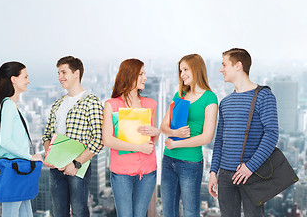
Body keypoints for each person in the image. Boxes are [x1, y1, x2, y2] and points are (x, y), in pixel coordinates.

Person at [207, 48, 279, 217]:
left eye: (224, 64)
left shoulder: (264, 96)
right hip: (225, 176)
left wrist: (250, 167)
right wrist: (213, 172)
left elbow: (271, 134)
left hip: (252, 174)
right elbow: (220, 141)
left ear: (238, 65)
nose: (221, 69)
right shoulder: (225, 102)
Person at [42, 56, 103, 217]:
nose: (60, 77)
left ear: (76, 73)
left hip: (78, 167)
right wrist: (51, 157)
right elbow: (46, 135)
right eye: (58, 73)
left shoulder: (91, 102)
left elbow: (99, 140)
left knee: (79, 211)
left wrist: (75, 164)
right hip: (56, 168)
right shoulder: (57, 104)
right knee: (58, 212)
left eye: (64, 72)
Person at [160, 54, 218, 217]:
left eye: (185, 69)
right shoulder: (179, 95)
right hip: (168, 160)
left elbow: (207, 137)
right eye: (180, 71)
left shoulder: (210, 98)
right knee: (168, 212)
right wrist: (174, 133)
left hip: (190, 163)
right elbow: (163, 125)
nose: (182, 74)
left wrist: (176, 143)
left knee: (191, 212)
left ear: (196, 69)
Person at [102, 58, 161, 217]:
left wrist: (156, 132)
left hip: (147, 170)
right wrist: (138, 148)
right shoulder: (111, 105)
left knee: (140, 215)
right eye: (141, 74)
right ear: (130, 75)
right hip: (121, 171)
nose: (145, 78)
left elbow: (152, 140)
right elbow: (107, 140)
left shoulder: (151, 104)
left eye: (144, 73)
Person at [0, 61, 43, 217]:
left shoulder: (12, 105)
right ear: (14, 79)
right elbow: (5, 141)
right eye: (25, 77)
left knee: (26, 214)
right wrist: (30, 157)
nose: (28, 81)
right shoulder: (8, 105)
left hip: (19, 170)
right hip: (14, 170)